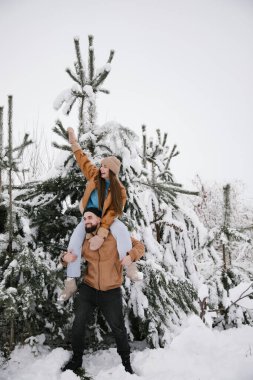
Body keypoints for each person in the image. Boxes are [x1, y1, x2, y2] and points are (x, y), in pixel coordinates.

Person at [59, 127, 142, 302]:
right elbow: (83, 161)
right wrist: (74, 143)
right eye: (102, 165)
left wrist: (103, 232)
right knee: (74, 239)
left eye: (105, 166)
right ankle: (70, 282)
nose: (101, 168)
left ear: (112, 171)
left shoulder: (119, 190)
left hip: (107, 220)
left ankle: (130, 266)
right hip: (89, 217)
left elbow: (114, 212)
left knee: (121, 230)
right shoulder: (94, 176)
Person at [61, 207, 145, 374]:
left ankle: (126, 364)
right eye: (84, 219)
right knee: (78, 324)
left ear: (99, 219)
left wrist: (131, 255)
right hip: (89, 288)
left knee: (118, 327)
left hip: (111, 290)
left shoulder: (116, 236)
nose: (86, 221)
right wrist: (64, 259)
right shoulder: (84, 239)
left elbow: (139, 246)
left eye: (90, 217)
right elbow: (68, 255)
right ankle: (76, 360)